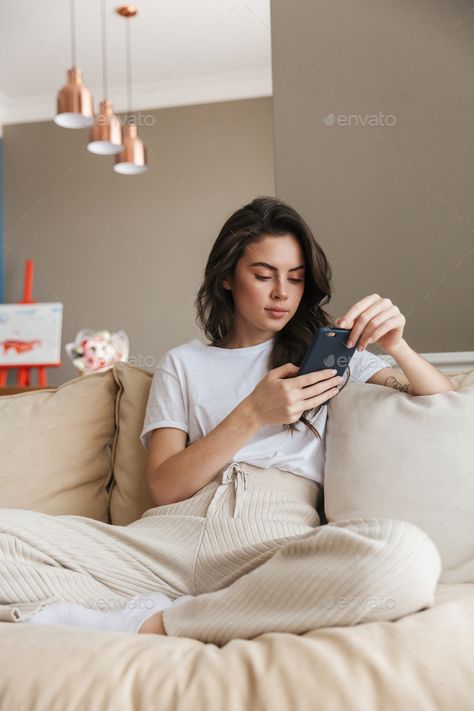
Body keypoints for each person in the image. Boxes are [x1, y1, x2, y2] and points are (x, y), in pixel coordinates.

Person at [1, 196, 449, 645]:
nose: (282, 293)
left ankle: (152, 623)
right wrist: (253, 413)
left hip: (270, 546)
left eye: (295, 279)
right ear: (227, 278)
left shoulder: (334, 357)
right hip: (162, 544)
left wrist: (397, 347)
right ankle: (211, 613)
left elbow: (444, 401)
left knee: (405, 558)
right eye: (262, 275)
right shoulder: (183, 363)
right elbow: (164, 485)